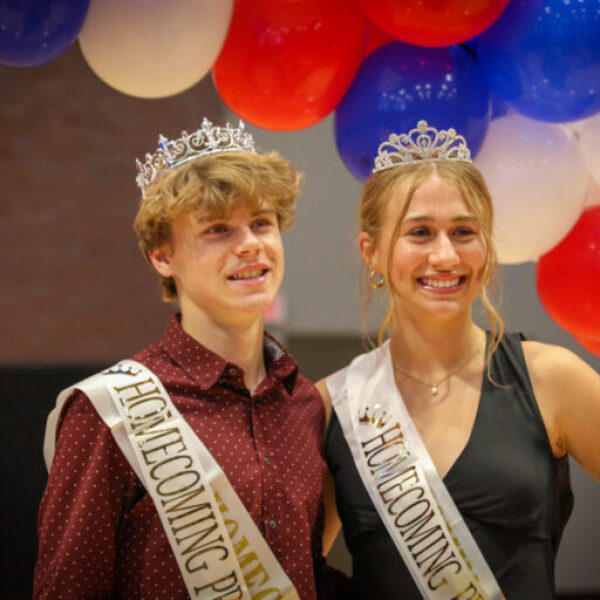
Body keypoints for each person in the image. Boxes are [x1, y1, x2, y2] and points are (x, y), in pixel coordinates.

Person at [35, 118, 349, 600]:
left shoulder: (303, 404)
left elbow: (307, 576)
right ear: (162, 257)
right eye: (219, 229)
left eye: (261, 223)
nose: (250, 244)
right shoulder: (108, 413)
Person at [318, 120, 600, 599]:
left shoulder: (550, 377)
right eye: (420, 233)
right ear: (372, 252)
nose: (445, 255)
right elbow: (296, 574)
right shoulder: (333, 404)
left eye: (464, 231)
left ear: (487, 248)